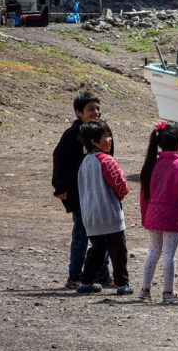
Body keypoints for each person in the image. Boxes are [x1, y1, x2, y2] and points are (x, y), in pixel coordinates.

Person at [51, 91, 112, 289]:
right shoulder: (72, 135)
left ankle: (101, 274)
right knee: (81, 233)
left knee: (104, 233)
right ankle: (75, 275)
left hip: (101, 192)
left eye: (98, 108)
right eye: (90, 109)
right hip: (79, 194)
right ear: (79, 112)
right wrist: (60, 187)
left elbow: (110, 161)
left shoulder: (103, 131)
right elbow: (59, 159)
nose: (96, 112)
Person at [138, 121, 178, 303]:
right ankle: (168, 292)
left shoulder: (151, 165)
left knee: (152, 252)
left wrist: (145, 216)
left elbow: (144, 196)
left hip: (152, 216)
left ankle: (145, 290)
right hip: (171, 218)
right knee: (169, 255)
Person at [75, 120, 132, 295]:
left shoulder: (84, 163)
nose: (110, 139)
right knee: (118, 250)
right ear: (94, 141)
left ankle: (86, 282)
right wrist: (120, 195)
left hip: (90, 215)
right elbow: (121, 185)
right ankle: (122, 284)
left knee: (96, 250)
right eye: (106, 136)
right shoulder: (107, 160)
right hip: (110, 213)